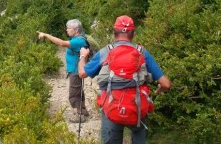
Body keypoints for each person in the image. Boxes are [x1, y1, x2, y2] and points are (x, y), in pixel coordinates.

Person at [78, 15, 171, 144]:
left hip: (112, 108)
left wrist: (83, 56)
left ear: (114, 33)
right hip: (136, 108)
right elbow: (166, 84)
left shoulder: (105, 52)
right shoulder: (142, 52)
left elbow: (82, 73)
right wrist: (158, 91)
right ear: (133, 34)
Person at [37, 19, 90, 121]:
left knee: (74, 92)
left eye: (69, 28)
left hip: (75, 70)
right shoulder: (81, 37)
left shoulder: (78, 41)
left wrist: (47, 35)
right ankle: (83, 110)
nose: (67, 30)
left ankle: (78, 115)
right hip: (77, 69)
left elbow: (61, 43)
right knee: (79, 89)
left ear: (76, 29)